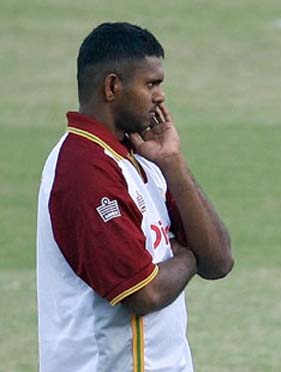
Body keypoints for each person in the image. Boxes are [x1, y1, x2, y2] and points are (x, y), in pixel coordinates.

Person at [36, 22, 234, 371]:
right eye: (151, 84)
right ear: (112, 87)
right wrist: (188, 259)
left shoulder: (143, 158)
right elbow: (145, 294)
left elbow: (218, 260)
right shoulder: (83, 170)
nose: (160, 97)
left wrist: (173, 162)